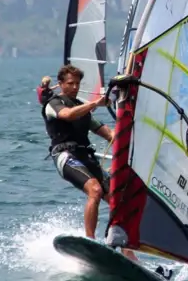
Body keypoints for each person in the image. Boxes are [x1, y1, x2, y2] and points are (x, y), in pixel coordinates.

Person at [42, 64, 139, 262]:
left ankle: (126, 251)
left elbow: (109, 133)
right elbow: (68, 115)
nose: (75, 87)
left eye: (77, 83)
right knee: (94, 190)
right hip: (66, 156)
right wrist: (95, 103)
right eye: (70, 83)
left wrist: (130, 130)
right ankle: (90, 242)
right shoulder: (54, 103)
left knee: (119, 199)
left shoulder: (83, 109)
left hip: (87, 157)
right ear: (60, 84)